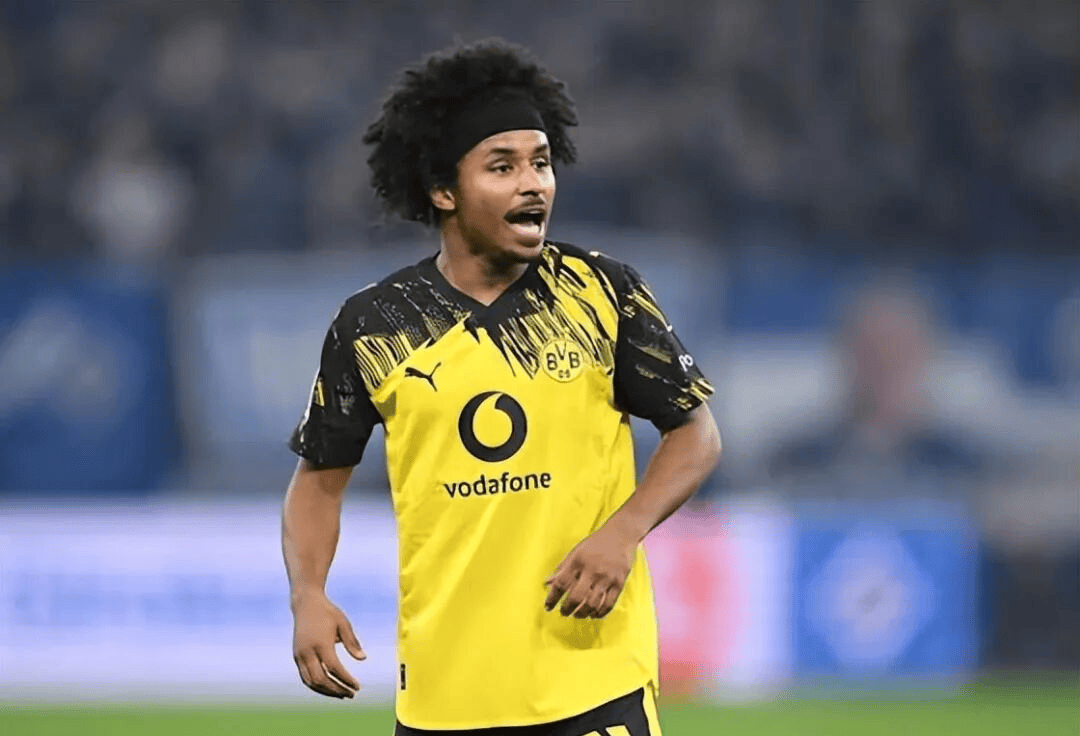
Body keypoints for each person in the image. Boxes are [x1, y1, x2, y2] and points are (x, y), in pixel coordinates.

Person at [282, 39, 721, 736]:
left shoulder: (601, 293)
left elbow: (695, 434)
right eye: (502, 166)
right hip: (444, 699)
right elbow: (318, 481)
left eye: (541, 162)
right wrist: (308, 593)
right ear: (444, 191)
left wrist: (623, 532)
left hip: (593, 682)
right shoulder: (375, 325)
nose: (533, 183)